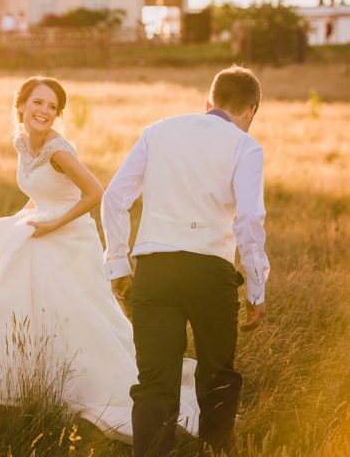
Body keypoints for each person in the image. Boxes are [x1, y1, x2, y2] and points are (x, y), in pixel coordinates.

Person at [0, 76, 199, 442]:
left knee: (77, 315)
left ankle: (96, 386)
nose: (44, 111)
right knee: (23, 306)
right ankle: (29, 383)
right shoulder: (22, 143)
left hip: (69, 238)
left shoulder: (57, 150)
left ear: (58, 115)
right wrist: (19, 218)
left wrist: (55, 222)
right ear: (20, 105)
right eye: (38, 103)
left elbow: (95, 193)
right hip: (43, 228)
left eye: (52, 107)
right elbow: (41, 192)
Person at [102, 65, 269, 457]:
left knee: (154, 384)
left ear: (207, 102)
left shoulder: (158, 131)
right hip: (211, 273)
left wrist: (118, 265)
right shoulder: (246, 146)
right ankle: (214, 452)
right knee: (217, 376)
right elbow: (248, 218)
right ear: (252, 111)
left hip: (155, 270)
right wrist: (257, 287)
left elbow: (114, 197)